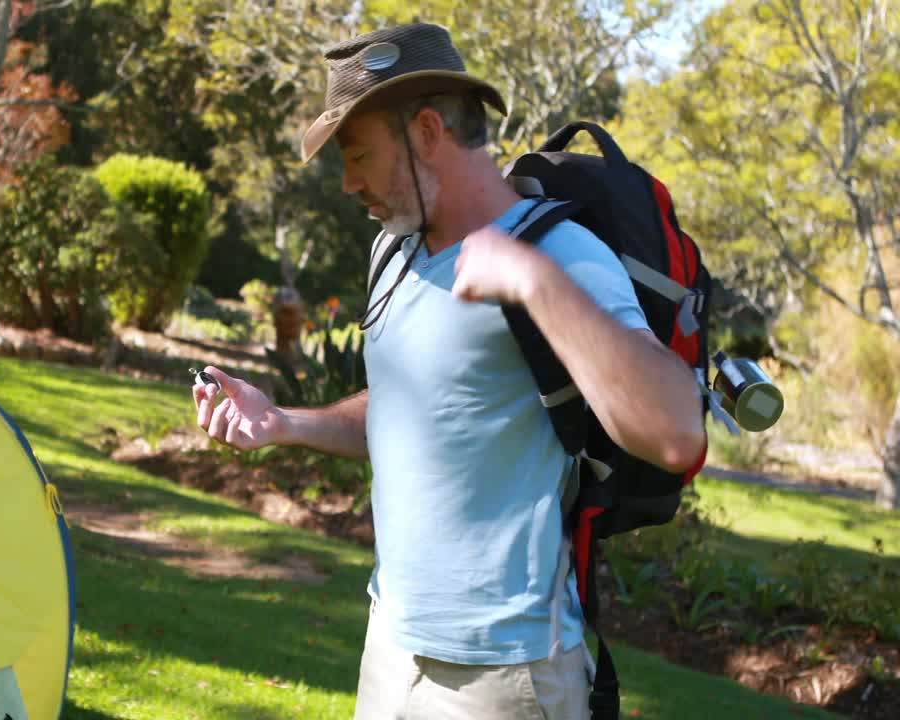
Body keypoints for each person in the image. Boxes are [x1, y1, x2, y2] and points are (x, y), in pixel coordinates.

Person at [192, 23, 706, 720]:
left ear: (428, 131)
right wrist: (285, 423)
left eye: (358, 154)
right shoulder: (394, 254)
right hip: (391, 648)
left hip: (507, 675)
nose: (348, 183)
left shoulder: (562, 252)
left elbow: (677, 434)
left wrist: (533, 281)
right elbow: (415, 408)